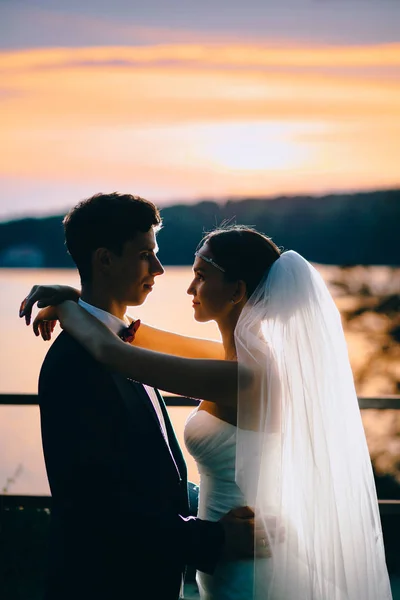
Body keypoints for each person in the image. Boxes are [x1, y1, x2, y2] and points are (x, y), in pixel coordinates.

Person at [21, 222, 393, 600]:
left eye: (200, 276)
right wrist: (80, 299)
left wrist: (68, 308)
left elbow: (115, 355)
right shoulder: (240, 360)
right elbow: (135, 336)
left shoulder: (248, 378)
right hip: (222, 554)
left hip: (248, 564)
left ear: (236, 290)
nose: (188, 287)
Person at [19, 193, 261, 600]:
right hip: (104, 584)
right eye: (146, 254)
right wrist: (208, 538)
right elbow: (92, 501)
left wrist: (72, 303)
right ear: (105, 259)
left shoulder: (124, 351)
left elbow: (119, 351)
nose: (162, 270)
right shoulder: (76, 362)